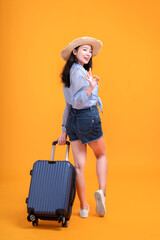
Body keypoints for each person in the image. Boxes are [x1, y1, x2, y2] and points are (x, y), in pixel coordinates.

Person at [57, 37, 108, 218]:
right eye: (84, 49)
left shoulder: (70, 72)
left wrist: (64, 129)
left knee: (79, 167)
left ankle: (84, 207)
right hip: (87, 118)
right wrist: (90, 88)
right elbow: (79, 103)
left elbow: (68, 105)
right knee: (101, 155)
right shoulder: (79, 73)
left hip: (73, 122)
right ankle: (101, 192)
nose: (88, 53)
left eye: (90, 51)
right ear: (75, 52)